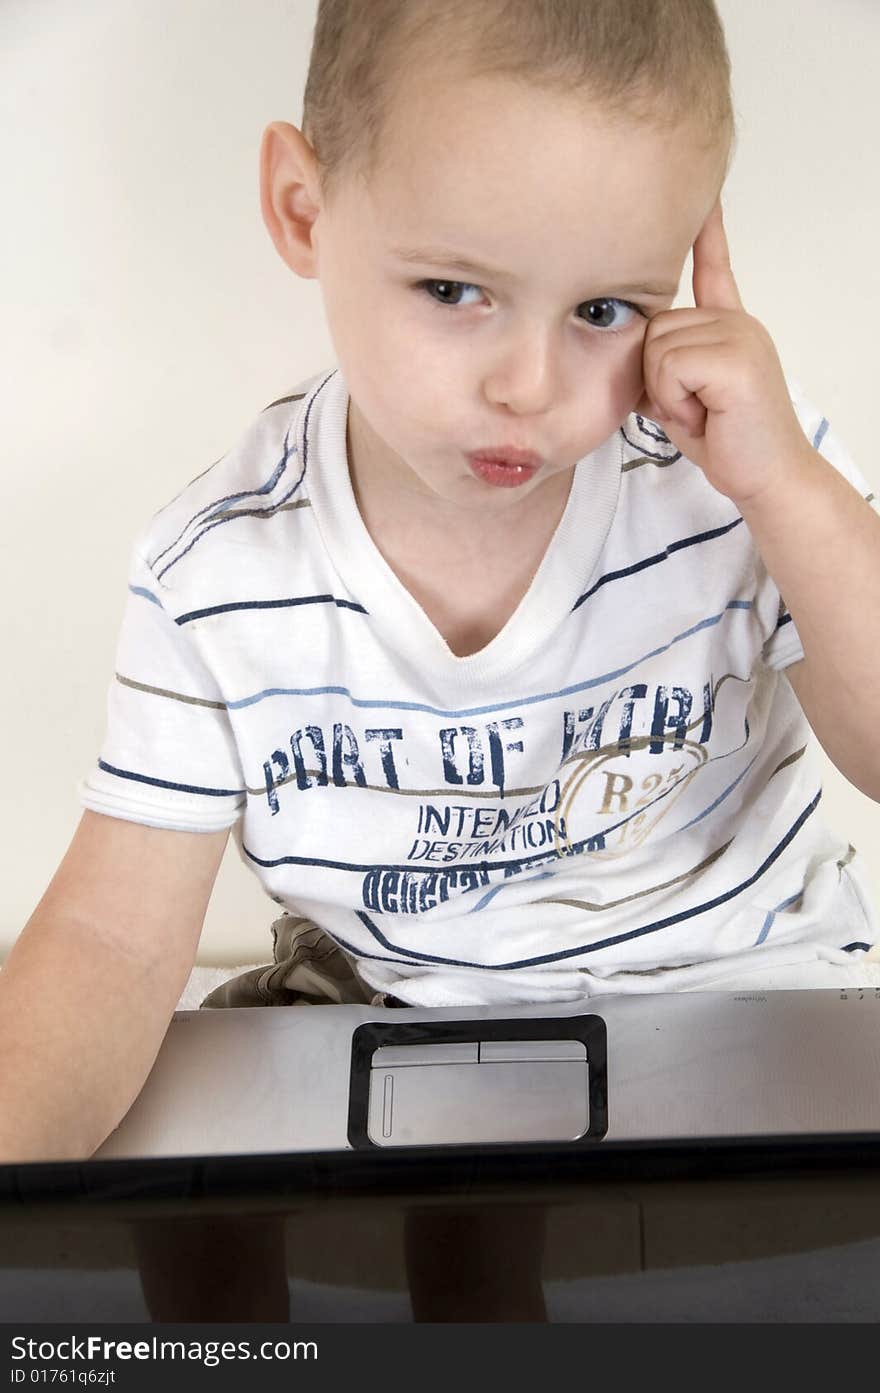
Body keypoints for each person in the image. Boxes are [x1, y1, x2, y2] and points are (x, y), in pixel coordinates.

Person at [2, 0, 880, 1168]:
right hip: (409, 1022)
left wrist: (791, 494)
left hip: (755, 992)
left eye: (605, 309)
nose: (527, 384)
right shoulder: (216, 570)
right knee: (224, 1235)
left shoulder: (745, 470)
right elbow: (111, 939)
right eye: (455, 292)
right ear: (303, 209)